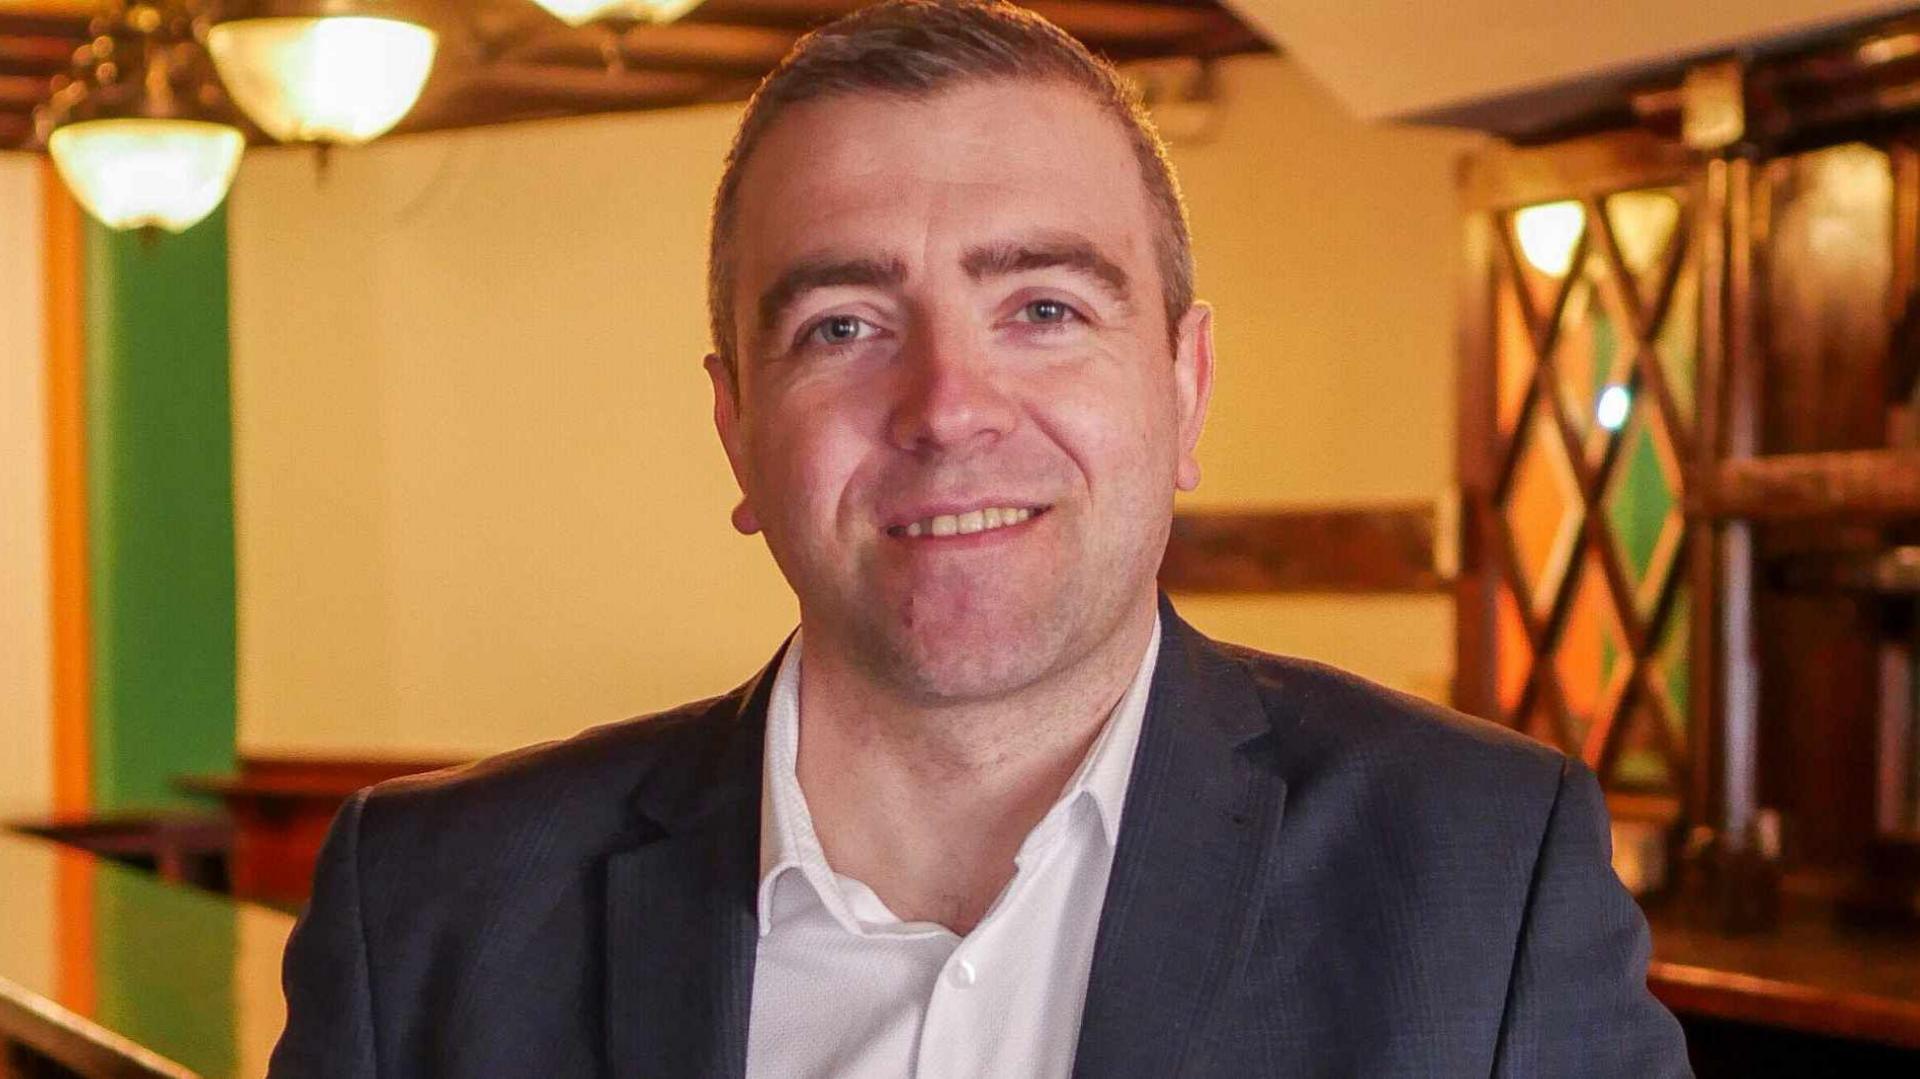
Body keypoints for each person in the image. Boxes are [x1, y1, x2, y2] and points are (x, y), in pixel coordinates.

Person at [269, 2, 1691, 1075]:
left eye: (1046, 310)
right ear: (737, 427)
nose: (948, 408)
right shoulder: (429, 912)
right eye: (844, 328)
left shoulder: (1486, 880)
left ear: (1184, 388)